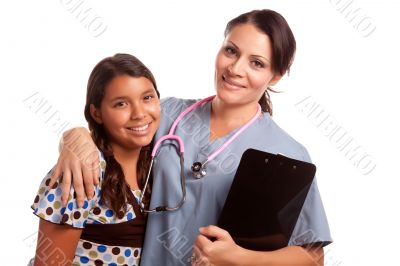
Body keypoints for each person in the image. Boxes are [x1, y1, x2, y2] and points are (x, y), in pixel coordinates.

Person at [51, 9, 332, 266]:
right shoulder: (169, 114)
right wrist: (74, 137)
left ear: (276, 76)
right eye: (231, 51)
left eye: (256, 63)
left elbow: (312, 256)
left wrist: (238, 258)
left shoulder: (287, 152)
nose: (235, 69)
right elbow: (114, 126)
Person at [30, 53, 161, 265]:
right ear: (97, 113)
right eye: (121, 104)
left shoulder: (156, 161)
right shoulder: (83, 170)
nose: (139, 114)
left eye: (147, 97)